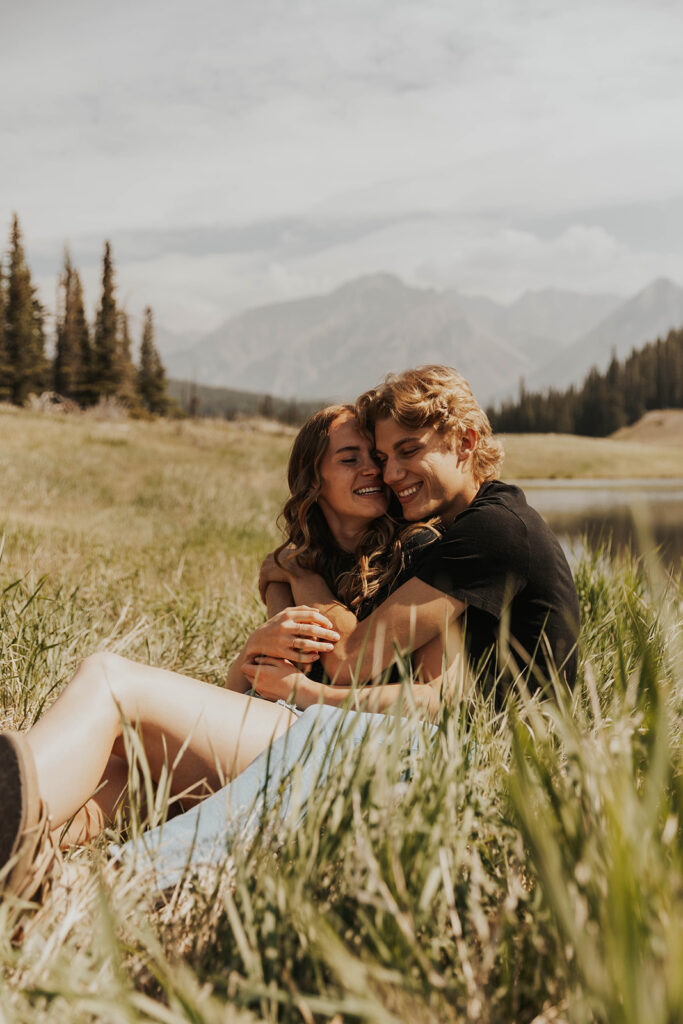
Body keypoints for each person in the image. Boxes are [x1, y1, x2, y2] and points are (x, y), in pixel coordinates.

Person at [0, 404, 450, 901]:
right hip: (283, 739)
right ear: (313, 482)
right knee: (122, 758)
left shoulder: (420, 553)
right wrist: (249, 655)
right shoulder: (298, 563)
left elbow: (413, 692)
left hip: (345, 751)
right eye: (350, 458)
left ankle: (36, 843)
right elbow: (253, 696)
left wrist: (302, 582)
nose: (375, 469)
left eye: (377, 456)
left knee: (110, 678)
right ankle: (30, 859)